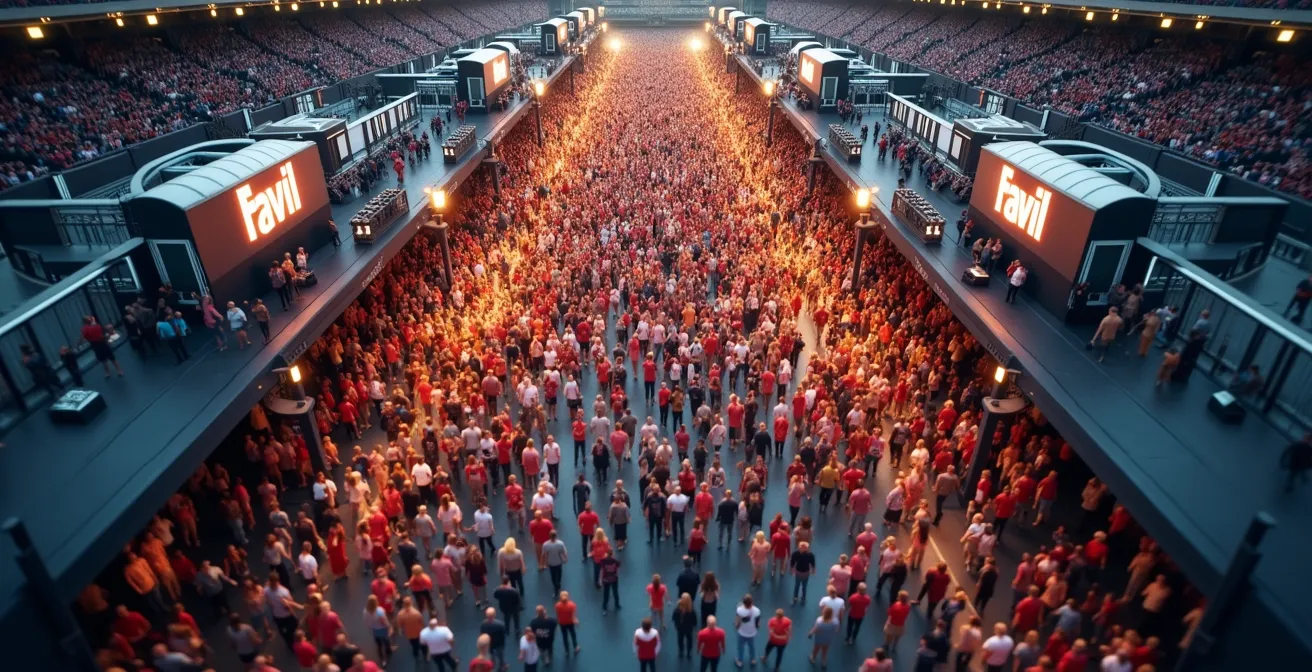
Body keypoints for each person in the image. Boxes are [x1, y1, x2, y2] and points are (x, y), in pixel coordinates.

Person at [734, 594, 762, 667]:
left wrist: (736, 627)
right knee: (752, 646)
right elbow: (758, 624)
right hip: (752, 633)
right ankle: (753, 660)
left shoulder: (739, 610)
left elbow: (737, 623)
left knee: (740, 647)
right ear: (752, 602)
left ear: (744, 602)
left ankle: (740, 661)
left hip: (742, 633)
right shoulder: (757, 611)